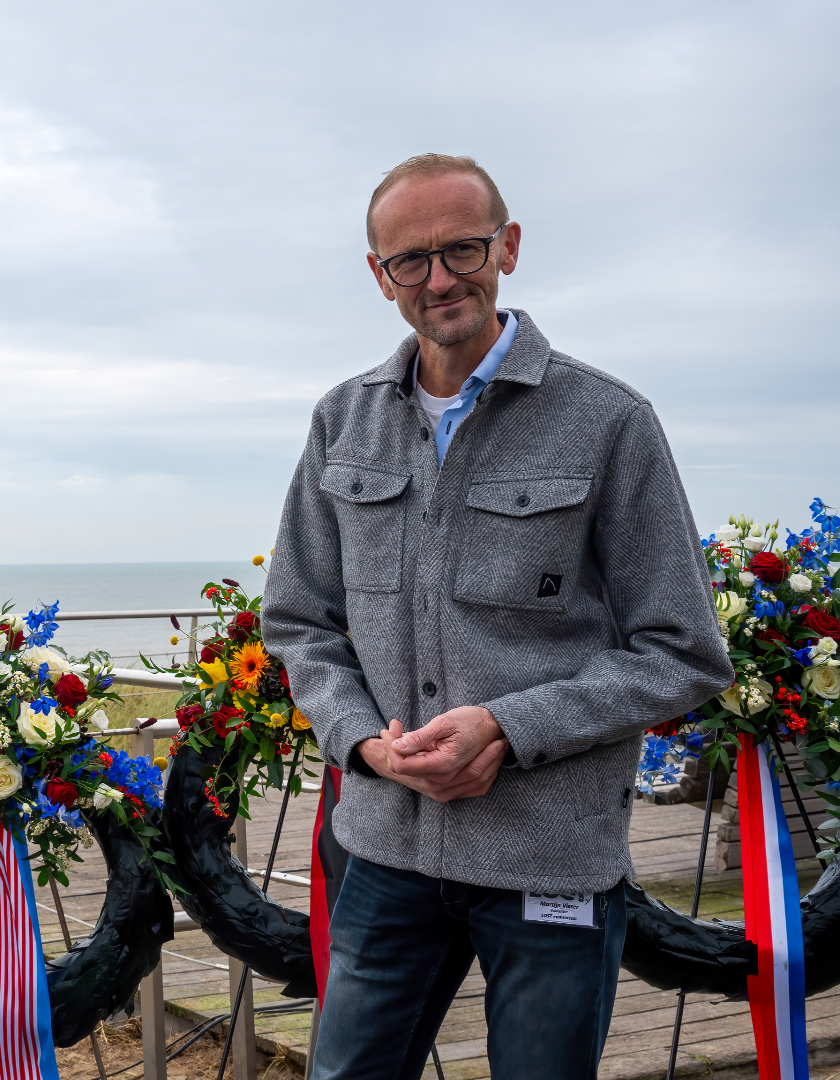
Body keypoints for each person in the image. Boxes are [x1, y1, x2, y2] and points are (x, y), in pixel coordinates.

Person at [262, 153, 734, 1080]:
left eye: (462, 249)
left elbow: (683, 649)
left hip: (550, 863)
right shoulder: (340, 422)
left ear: (508, 247)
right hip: (385, 850)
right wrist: (363, 744)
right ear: (379, 276)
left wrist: (508, 731)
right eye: (411, 260)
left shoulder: (609, 421)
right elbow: (298, 620)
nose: (439, 279)